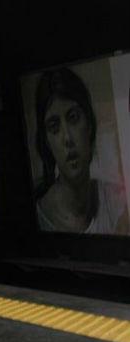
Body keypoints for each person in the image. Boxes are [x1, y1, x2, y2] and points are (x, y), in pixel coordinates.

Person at [34, 68, 127, 235]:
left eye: (73, 118)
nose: (67, 138)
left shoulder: (118, 203)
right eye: (54, 127)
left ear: (89, 125)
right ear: (47, 142)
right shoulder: (40, 217)